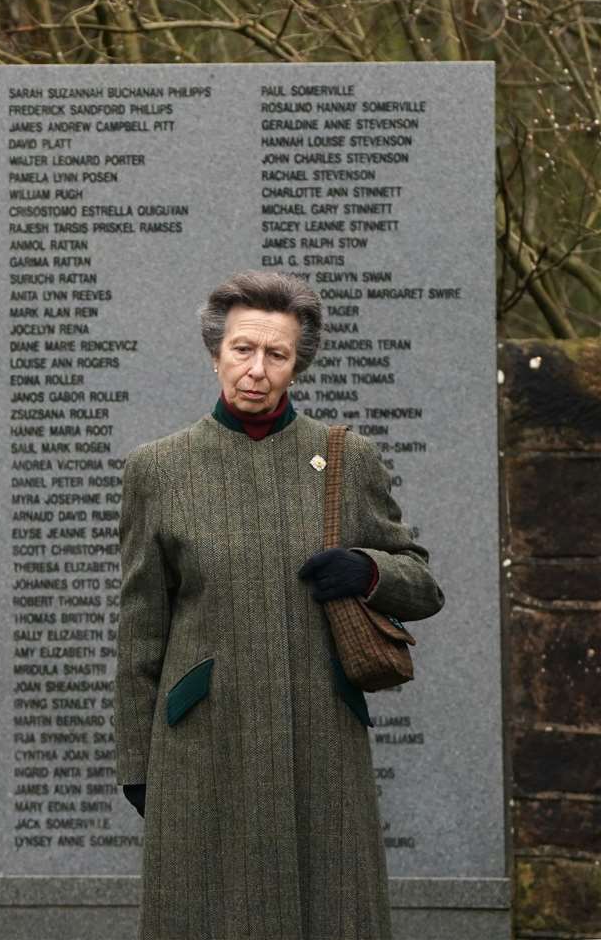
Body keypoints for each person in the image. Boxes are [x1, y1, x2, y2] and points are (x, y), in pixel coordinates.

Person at [112, 270, 443, 939]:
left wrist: (366, 569)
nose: (256, 370)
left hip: (320, 732)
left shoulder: (348, 460)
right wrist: (135, 764)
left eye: (277, 354)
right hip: (204, 741)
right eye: (242, 349)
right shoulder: (159, 469)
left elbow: (423, 585)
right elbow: (141, 627)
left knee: (330, 911)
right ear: (216, 353)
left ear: (298, 364)